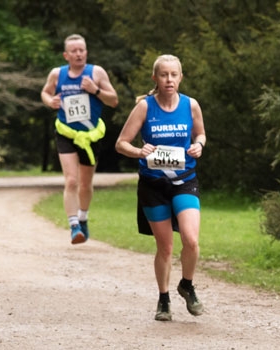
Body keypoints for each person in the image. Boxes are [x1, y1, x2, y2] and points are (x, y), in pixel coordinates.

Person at [115, 54, 207, 322]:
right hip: (153, 185)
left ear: (180, 77)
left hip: (185, 180)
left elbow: (200, 134)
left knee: (191, 239)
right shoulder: (145, 107)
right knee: (165, 246)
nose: (169, 80)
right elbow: (121, 143)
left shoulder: (191, 105)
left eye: (174, 75)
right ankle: (164, 299)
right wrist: (138, 151)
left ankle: (187, 285)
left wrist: (199, 145)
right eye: (164, 75)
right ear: (155, 78)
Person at [40, 34, 119, 245]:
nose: (78, 54)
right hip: (66, 133)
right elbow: (45, 93)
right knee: (71, 180)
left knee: (85, 184)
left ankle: (83, 217)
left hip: (91, 136)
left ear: (86, 52)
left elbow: (114, 101)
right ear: (66, 55)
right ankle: (74, 225)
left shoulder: (96, 72)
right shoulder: (57, 74)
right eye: (74, 51)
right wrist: (51, 101)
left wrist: (96, 90)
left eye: (82, 50)